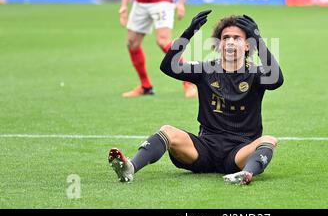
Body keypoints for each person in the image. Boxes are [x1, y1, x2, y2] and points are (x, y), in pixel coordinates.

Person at [108, 10, 284, 185]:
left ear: (247, 45)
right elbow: (168, 66)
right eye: (225, 38)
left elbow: (277, 80)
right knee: (168, 131)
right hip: (204, 149)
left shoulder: (256, 73)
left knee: (269, 140)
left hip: (240, 152)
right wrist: (188, 33)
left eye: (237, 38)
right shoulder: (205, 70)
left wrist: (259, 40)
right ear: (219, 43)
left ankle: (246, 174)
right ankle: (130, 167)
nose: (230, 42)